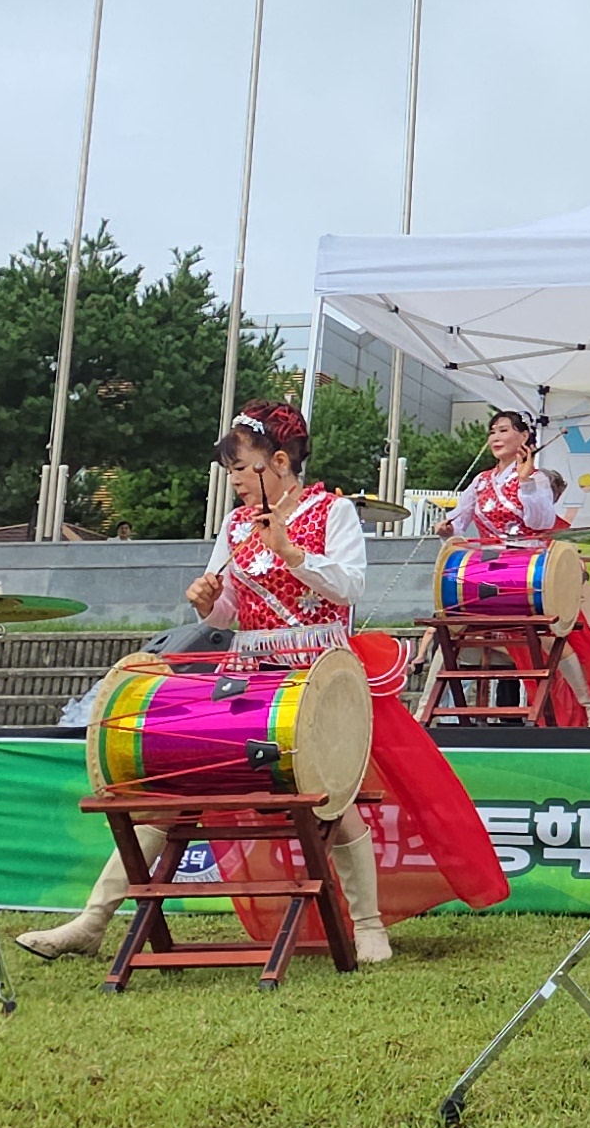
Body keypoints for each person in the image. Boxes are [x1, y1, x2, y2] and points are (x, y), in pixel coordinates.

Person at [21, 402, 407, 967]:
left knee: (330, 799)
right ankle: (93, 920)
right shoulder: (234, 525)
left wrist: (290, 551)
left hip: (317, 674)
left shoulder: (334, 511)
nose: (234, 481)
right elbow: (227, 610)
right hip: (249, 672)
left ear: (279, 462)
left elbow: (349, 588)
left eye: (242, 468)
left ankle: (368, 926)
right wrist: (209, 602)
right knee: (175, 787)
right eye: (231, 471)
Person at [442, 408, 590, 724]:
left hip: (526, 573)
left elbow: (540, 522)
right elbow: (459, 522)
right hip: (486, 573)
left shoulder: (536, 479)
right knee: (448, 630)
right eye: (492, 431)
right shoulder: (480, 481)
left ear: (524, 436)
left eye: (503, 430)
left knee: (551, 640)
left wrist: (524, 482)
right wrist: (448, 529)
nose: (495, 437)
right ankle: (426, 711)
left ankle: (589, 707)